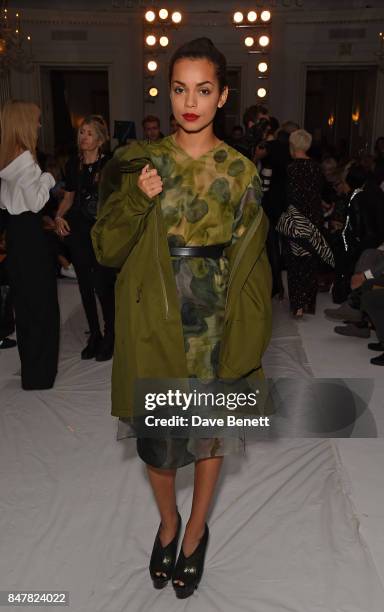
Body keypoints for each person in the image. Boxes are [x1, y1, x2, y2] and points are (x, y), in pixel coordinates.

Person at [92, 37, 272, 598]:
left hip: (215, 318)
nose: (189, 102)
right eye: (178, 89)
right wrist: (138, 200)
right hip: (156, 318)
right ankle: (168, 522)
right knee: (161, 440)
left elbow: (253, 259)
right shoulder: (140, 163)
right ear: (167, 92)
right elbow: (106, 249)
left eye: (203, 90)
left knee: (211, 437)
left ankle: (195, 531)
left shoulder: (241, 172)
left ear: (222, 97)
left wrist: (252, 331)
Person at [0, 100, 59, 388]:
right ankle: (41, 375)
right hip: (31, 237)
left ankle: (31, 373)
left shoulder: (7, 159)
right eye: (36, 120)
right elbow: (37, 202)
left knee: (25, 304)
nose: (39, 125)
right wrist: (48, 178)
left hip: (16, 234)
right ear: (24, 123)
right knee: (43, 304)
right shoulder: (25, 160)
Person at [54, 115, 116, 361]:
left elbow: (117, 201)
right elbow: (68, 197)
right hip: (78, 231)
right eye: (81, 132)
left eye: (89, 133)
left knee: (103, 286)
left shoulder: (110, 165)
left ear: (100, 139)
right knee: (84, 286)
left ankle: (111, 334)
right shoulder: (72, 164)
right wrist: (58, 216)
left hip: (101, 232)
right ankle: (95, 336)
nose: (83, 137)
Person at [284, 129, 324, 318]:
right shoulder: (317, 167)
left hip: (296, 219)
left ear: (293, 145)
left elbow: (290, 197)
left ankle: (298, 305)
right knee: (310, 261)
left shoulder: (291, 169)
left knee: (296, 261)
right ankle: (308, 303)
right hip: (314, 218)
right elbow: (318, 194)